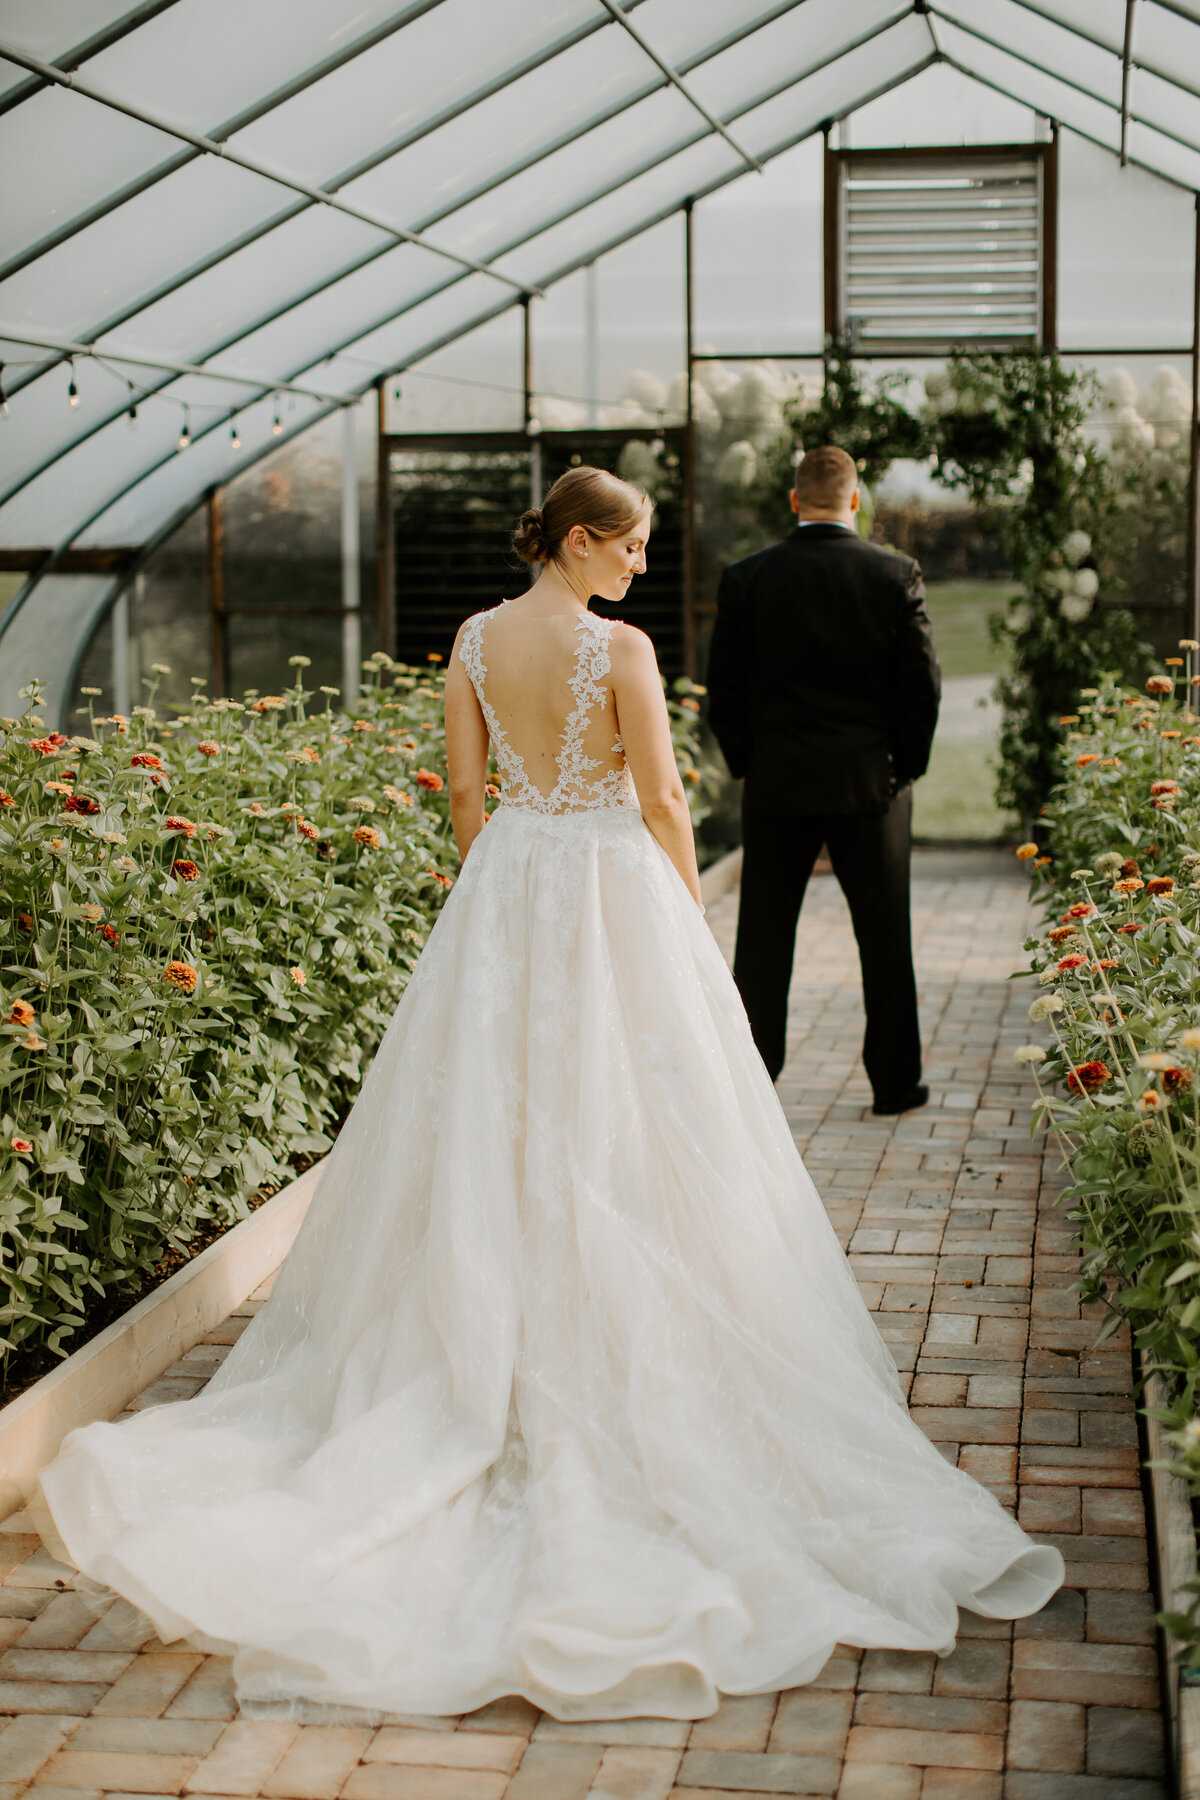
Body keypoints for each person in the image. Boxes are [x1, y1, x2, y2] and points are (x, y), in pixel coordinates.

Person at [36, 467, 1058, 1724]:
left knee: (490, 1122)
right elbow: (667, 799)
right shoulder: (615, 650)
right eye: (630, 548)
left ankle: (480, 1346)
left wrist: (506, 897)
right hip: (611, 886)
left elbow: (466, 802)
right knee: (632, 1128)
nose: (640, 568)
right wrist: (681, 913)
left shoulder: (471, 642)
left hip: (508, 890)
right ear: (581, 543)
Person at [706, 444, 941, 1113]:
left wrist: (751, 762)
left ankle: (754, 1086)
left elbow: (725, 689)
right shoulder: (894, 574)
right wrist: (903, 769)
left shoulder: (748, 578)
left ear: (794, 501)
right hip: (872, 786)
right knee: (886, 938)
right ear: (856, 499)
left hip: (777, 784)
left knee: (762, 941)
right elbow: (921, 688)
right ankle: (895, 1085)